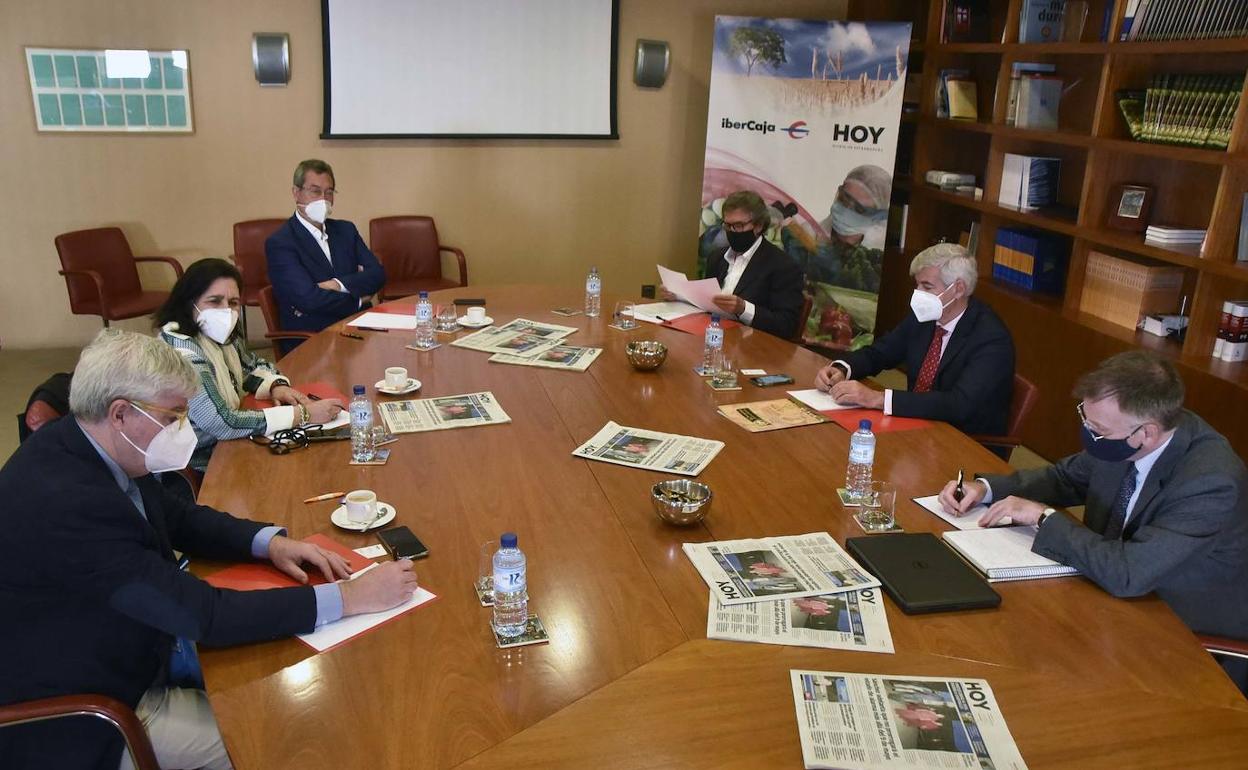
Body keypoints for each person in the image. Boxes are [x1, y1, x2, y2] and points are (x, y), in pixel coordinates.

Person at [0, 329, 417, 770]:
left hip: (134, 641)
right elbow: (204, 615)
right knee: (283, 741)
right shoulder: (70, 504)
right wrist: (351, 598)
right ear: (121, 412)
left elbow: (177, 517)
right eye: (175, 414)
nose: (185, 426)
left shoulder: (91, 438)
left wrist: (269, 544)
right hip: (94, 705)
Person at [938, 351, 1248, 692]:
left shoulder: (1211, 482)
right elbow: (1066, 478)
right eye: (1085, 418)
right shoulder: (1126, 434)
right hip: (1106, 590)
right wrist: (986, 489)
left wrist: (1043, 517)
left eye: (1096, 429)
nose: (1087, 433)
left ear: (1145, 433)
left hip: (1176, 627)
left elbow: (1129, 574)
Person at [155, 258, 343, 471]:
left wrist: (276, 386)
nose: (226, 311)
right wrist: (304, 415)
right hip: (201, 462)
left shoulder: (218, 334)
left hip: (231, 444)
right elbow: (221, 423)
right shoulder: (182, 355)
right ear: (189, 302)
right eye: (214, 301)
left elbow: (251, 366)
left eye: (233, 303)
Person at [813, 242, 1014, 436]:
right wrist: (841, 369)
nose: (918, 294)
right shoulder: (925, 317)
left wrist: (878, 399)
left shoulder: (991, 339)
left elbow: (959, 404)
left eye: (927, 286)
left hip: (962, 441)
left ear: (958, 289)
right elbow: (880, 353)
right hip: (914, 425)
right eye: (917, 285)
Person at [265, 159, 385, 347]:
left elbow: (377, 274)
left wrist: (337, 285)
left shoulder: (346, 230)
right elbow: (309, 299)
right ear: (296, 193)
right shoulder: (281, 242)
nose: (323, 199)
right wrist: (358, 299)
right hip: (313, 335)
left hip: (358, 325)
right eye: (315, 191)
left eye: (329, 192)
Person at [703, 190, 806, 338]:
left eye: (738, 226)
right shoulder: (716, 257)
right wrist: (680, 295)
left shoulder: (783, 266)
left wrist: (743, 309)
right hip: (713, 338)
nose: (732, 231)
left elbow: (786, 324)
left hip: (754, 348)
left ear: (758, 226)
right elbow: (706, 302)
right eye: (727, 225)